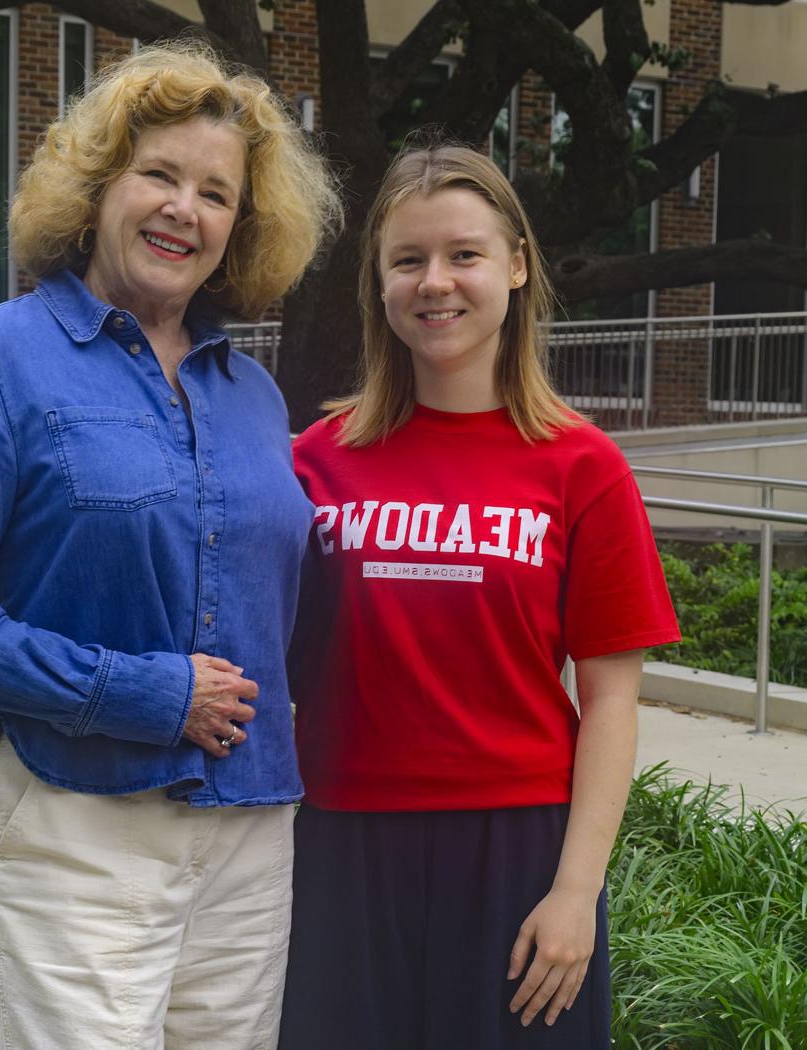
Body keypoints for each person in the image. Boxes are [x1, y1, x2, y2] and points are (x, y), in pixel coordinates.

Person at [0, 42, 339, 1050]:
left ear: (242, 225)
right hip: (67, 821)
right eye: (160, 176)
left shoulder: (254, 395)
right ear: (97, 189)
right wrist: (140, 691)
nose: (185, 209)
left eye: (216, 192)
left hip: (251, 836)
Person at [278, 143, 680, 1049]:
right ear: (378, 282)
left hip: (519, 855)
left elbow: (613, 698)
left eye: (464, 254)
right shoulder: (315, 461)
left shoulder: (584, 467)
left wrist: (577, 891)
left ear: (517, 266)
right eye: (408, 259)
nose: (436, 282)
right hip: (340, 844)